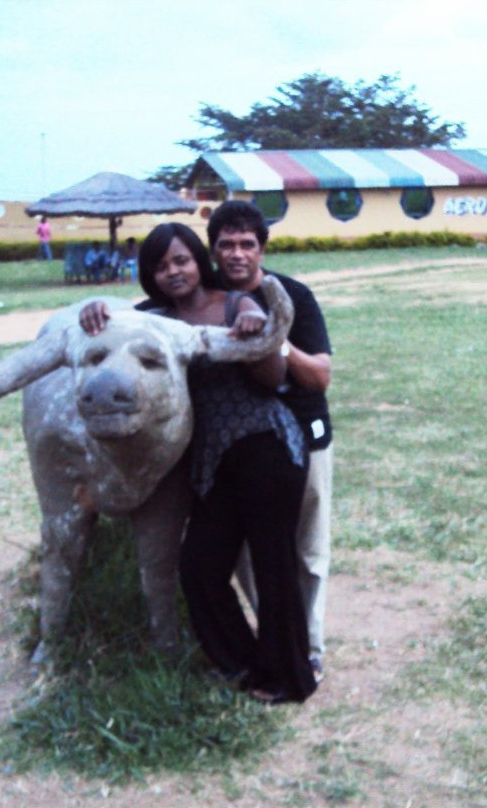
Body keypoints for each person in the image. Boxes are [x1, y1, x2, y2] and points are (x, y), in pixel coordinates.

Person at [80, 222, 317, 704]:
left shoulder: (235, 303)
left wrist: (256, 333)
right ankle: (243, 664)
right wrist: (95, 310)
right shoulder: (149, 319)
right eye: (161, 266)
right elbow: (114, 333)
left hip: (264, 448)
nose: (173, 272)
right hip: (210, 463)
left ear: (198, 261)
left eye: (181, 260)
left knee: (273, 566)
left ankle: (289, 678)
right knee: (199, 568)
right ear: (149, 275)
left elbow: (273, 379)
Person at [205, 200, 334, 683]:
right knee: (245, 555)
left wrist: (275, 339)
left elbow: (321, 377)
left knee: (308, 546)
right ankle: (279, 637)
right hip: (237, 448)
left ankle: (311, 646)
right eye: (226, 245)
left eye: (246, 244)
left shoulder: (292, 295)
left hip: (305, 431)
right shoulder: (207, 298)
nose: (237, 254)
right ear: (213, 251)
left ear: (262, 248)